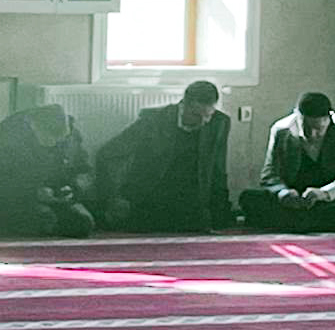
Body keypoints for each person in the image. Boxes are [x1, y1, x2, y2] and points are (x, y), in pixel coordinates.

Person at [97, 80, 234, 232]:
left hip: (192, 196)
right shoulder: (154, 120)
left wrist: (220, 209)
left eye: (207, 116)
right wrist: (116, 194)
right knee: (146, 224)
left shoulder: (219, 123)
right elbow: (109, 152)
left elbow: (218, 169)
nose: (202, 122)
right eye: (196, 115)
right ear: (184, 105)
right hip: (154, 192)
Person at [239, 92, 335, 232]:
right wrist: (283, 193)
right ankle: (317, 221)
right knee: (249, 198)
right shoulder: (282, 130)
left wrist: (326, 193)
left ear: (328, 119)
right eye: (306, 128)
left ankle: (299, 222)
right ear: (297, 118)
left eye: (318, 129)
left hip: (331, 198)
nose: (312, 134)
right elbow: (269, 174)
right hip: (295, 198)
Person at [0, 103, 95, 238]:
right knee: (44, 219)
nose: (57, 144)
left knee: (83, 223)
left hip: (59, 200)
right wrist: (34, 192)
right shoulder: (9, 138)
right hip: (17, 200)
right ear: (33, 126)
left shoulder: (71, 136)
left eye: (61, 139)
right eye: (51, 138)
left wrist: (73, 188)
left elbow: (84, 171)